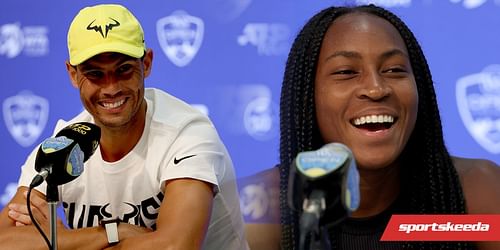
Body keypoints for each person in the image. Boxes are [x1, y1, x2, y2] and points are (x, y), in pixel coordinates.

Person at [245, 4, 500, 250]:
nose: (376, 89)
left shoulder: (476, 190)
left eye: (394, 69)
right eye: (346, 72)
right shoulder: (263, 208)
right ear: (307, 97)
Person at [0, 4, 249, 250]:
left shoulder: (187, 134)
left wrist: (60, 244)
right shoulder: (66, 144)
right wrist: (113, 231)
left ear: (147, 63)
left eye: (123, 70)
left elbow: (174, 246)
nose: (111, 88)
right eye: (95, 74)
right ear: (73, 75)